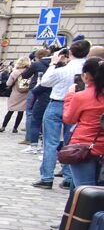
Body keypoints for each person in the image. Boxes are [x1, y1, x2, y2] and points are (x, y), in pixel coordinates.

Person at [35, 39, 91, 190]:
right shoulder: (87, 69)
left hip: (57, 103)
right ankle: (68, 177)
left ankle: (47, 177)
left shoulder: (64, 69)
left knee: (50, 142)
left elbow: (45, 82)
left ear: (70, 53)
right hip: (78, 106)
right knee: (71, 142)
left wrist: (53, 63)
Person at [61, 57, 103, 188]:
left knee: (85, 189)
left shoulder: (82, 96)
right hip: (100, 147)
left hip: (83, 146)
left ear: (86, 75)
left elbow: (69, 118)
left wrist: (69, 97)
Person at [1, 57, 31, 133]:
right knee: (20, 112)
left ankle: (3, 126)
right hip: (25, 93)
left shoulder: (15, 72)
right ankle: (15, 128)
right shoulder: (30, 72)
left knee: (10, 110)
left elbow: (8, 83)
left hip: (15, 93)